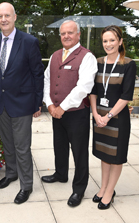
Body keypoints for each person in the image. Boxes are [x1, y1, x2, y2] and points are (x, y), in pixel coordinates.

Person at [0, 2, 44, 204]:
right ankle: (11, 173)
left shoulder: (29, 42)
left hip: (22, 103)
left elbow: (38, 74)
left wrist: (38, 102)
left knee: (22, 147)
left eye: (7, 16)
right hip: (1, 104)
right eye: (0, 16)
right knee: (8, 143)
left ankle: (26, 185)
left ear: (15, 17)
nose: (4, 19)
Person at [42, 20, 98, 207]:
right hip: (56, 111)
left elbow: (84, 87)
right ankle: (60, 174)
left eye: (70, 33)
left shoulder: (87, 57)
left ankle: (79, 188)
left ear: (78, 34)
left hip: (76, 113)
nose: (66, 36)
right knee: (59, 146)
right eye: (63, 33)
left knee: (79, 152)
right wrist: (49, 104)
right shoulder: (54, 56)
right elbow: (47, 81)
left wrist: (62, 107)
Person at [90, 25, 136, 210]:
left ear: (120, 42)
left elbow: (126, 95)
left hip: (117, 118)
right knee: (104, 154)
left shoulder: (128, 64)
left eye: (112, 40)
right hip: (99, 116)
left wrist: (108, 116)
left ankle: (110, 191)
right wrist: (95, 114)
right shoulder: (98, 62)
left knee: (116, 156)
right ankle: (103, 187)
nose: (108, 44)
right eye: (105, 41)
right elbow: (92, 91)